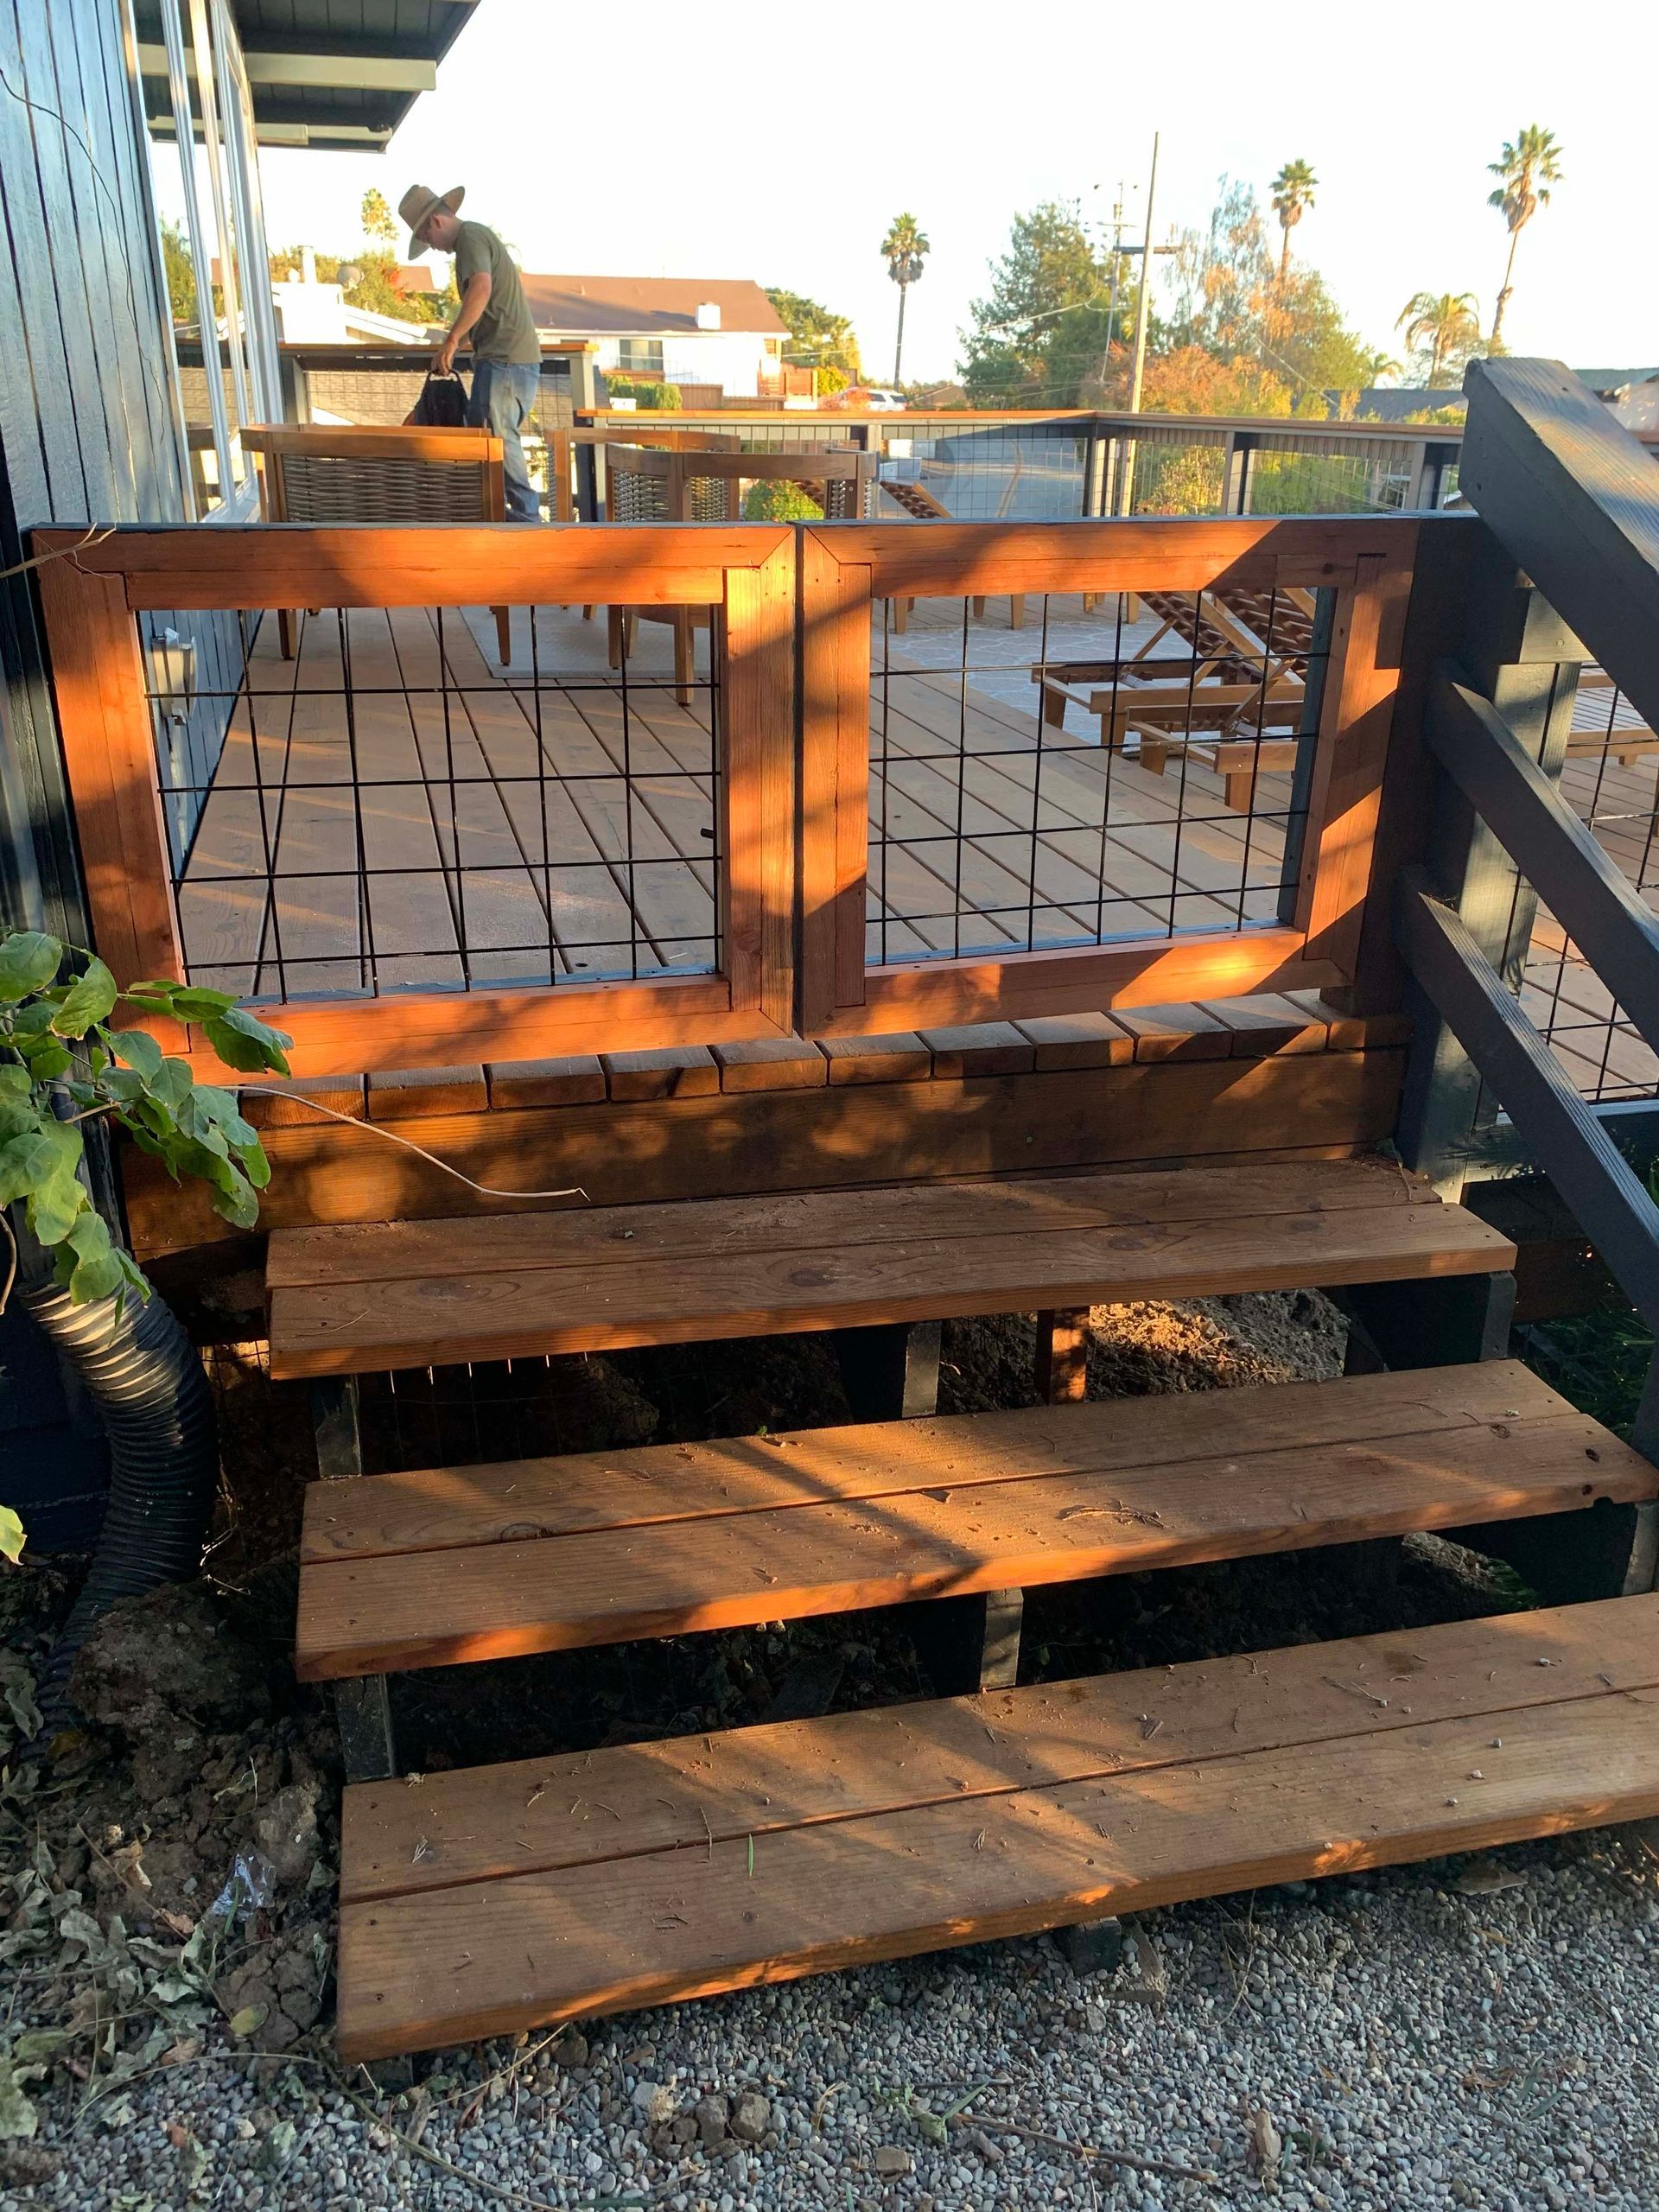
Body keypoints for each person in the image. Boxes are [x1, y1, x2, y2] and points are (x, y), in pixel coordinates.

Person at [397, 183, 541, 523]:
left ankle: (527, 524)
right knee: (490, 437)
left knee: (498, 440)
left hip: (505, 359)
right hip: (505, 359)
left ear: (435, 222)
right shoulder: (472, 239)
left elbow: (481, 287)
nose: (430, 246)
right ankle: (504, 521)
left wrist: (452, 341)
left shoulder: (471, 239)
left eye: (426, 237)